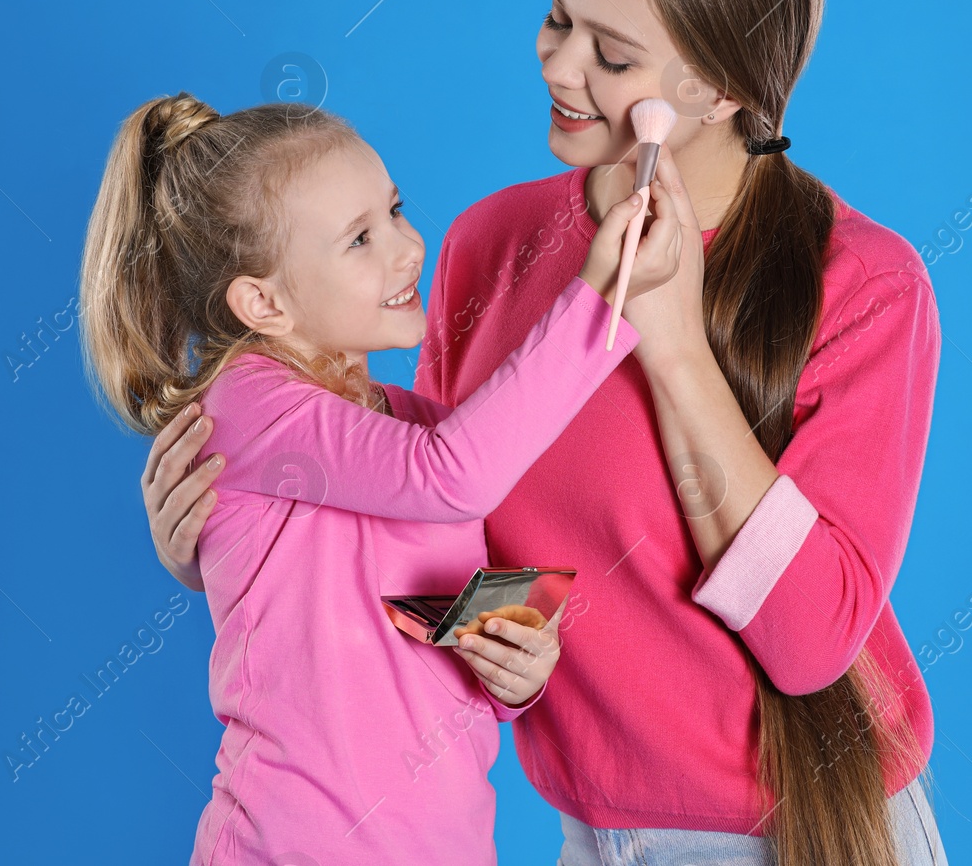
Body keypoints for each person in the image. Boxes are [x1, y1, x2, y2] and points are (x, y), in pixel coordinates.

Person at [138, 0, 950, 865]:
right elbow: (436, 549)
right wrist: (240, 534)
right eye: (556, 18)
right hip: (588, 833)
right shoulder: (492, 245)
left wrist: (670, 337)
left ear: (717, 89)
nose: (554, 63)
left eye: (608, 54)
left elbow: (811, 639)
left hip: (800, 835)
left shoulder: (864, 283)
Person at [78, 94, 681, 865]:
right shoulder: (246, 401)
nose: (407, 248)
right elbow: (455, 478)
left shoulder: (421, 427)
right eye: (360, 239)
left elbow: (444, 652)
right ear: (262, 302)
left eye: (395, 211)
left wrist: (516, 674)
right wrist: (601, 295)